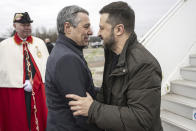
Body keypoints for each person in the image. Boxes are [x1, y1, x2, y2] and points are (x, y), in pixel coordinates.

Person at [66, 1, 163, 131]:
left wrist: (92, 109)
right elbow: (108, 94)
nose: (98, 33)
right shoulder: (112, 55)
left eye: (102, 28)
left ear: (118, 30)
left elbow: (141, 118)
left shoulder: (144, 65)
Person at [45, 5, 102, 131]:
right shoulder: (67, 59)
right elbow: (82, 113)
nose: (91, 32)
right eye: (86, 27)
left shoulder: (65, 51)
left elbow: (88, 89)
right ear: (68, 28)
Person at [0, 12, 49, 131]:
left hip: (37, 91)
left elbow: (45, 69)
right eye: (23, 25)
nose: (27, 27)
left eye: (28, 25)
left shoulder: (39, 43)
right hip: (15, 93)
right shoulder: (4, 46)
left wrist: (35, 83)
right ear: (14, 26)